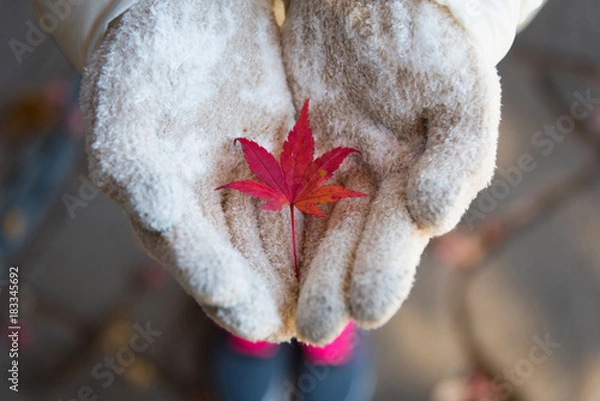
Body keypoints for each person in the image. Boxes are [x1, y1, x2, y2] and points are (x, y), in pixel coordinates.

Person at [28, 0, 546, 400]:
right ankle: (260, 329)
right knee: (203, 210)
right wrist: (135, 12)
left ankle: (321, 331)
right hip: (214, 35)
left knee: (342, 241)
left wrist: (446, 13)